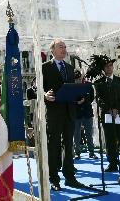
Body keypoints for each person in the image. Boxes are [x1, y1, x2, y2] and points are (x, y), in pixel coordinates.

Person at [42, 38, 84, 190]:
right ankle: (54, 179)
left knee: (69, 145)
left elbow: (71, 88)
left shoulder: (69, 67)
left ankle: (69, 177)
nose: (64, 49)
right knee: (53, 146)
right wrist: (44, 94)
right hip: (54, 114)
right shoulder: (45, 67)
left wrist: (79, 97)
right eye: (61, 47)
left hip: (69, 112)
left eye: (65, 47)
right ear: (52, 50)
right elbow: (36, 88)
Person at [94, 57, 120, 172]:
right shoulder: (98, 83)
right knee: (110, 140)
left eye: (110, 65)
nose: (109, 68)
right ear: (103, 69)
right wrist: (109, 109)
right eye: (106, 66)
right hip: (107, 114)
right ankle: (112, 163)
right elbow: (99, 99)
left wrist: (116, 109)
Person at [73, 71, 96, 160]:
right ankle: (77, 153)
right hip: (76, 113)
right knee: (76, 134)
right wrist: (76, 102)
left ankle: (91, 152)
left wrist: (84, 101)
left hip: (87, 112)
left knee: (89, 133)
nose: (78, 81)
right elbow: (69, 98)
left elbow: (91, 97)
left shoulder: (88, 85)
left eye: (79, 79)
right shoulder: (71, 86)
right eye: (76, 80)